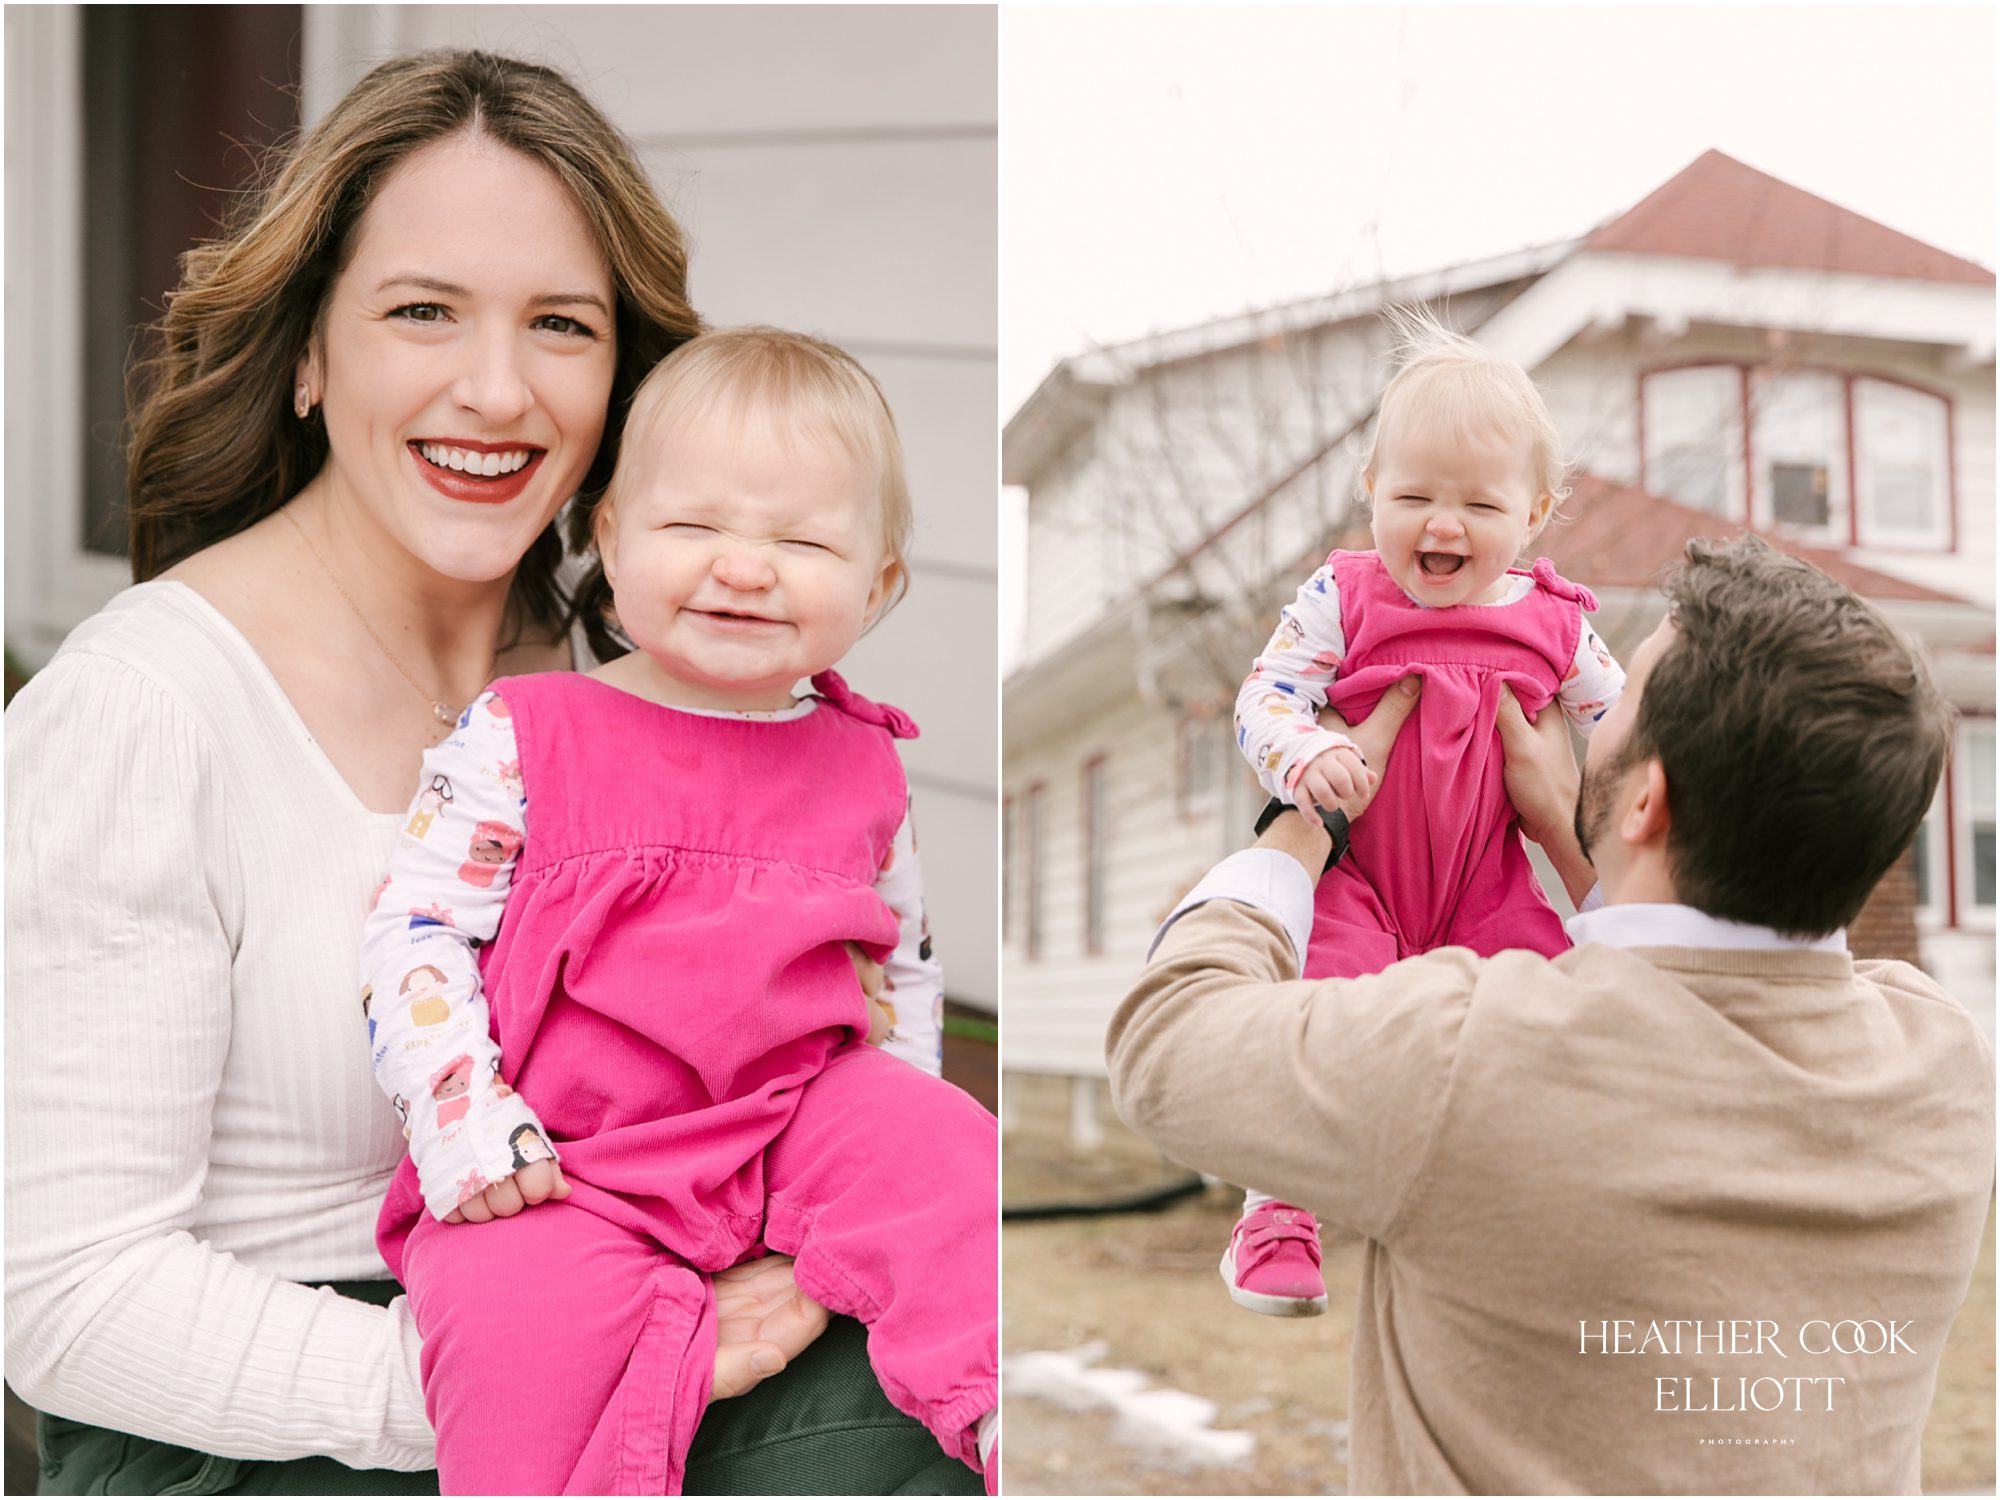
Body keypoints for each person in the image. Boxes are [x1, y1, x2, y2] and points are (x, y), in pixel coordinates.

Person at [5, 50, 980, 1496]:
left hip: (629, 1281)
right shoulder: (144, 712)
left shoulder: (636, 671)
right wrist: (558, 1379)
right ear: (309, 353)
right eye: (420, 311)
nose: (496, 388)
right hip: (272, 1417)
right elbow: (64, 1298)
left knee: (964, 1324)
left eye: (562, 326)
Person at [1109, 533, 1993, 1494]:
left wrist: (1309, 818)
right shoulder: (1947, 1067)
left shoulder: (1471, 1050)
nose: (1587, 722)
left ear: (1647, 800)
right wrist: (1580, 843)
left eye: (1619, 707)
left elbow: (1167, 1044)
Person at [361, 327, 997, 1495]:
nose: (743, 568)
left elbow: (900, 967)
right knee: (515, 1333)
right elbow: (415, 930)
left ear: (880, 583)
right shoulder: (524, 732)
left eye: (801, 541)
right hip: (566, 1149)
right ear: (610, 539)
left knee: (952, 1160)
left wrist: (893, 1125)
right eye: (693, 527)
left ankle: (1002, 1412)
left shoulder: (864, 763)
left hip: (792, 1119)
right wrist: (460, 1114)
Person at [1221, 308, 1624, 1316]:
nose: (1440, 527)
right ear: (1369, 493)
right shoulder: (1342, 596)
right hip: (1360, 877)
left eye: (1477, 505)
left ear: (1531, 512)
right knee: (1317, 1024)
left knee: (1556, 1021)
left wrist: (1610, 813)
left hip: (1488, 888)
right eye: (1410, 496)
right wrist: (1305, 750)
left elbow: (1625, 736)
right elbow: (1260, 697)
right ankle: (1276, 1209)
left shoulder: (1558, 625)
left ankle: (1531, 1212)